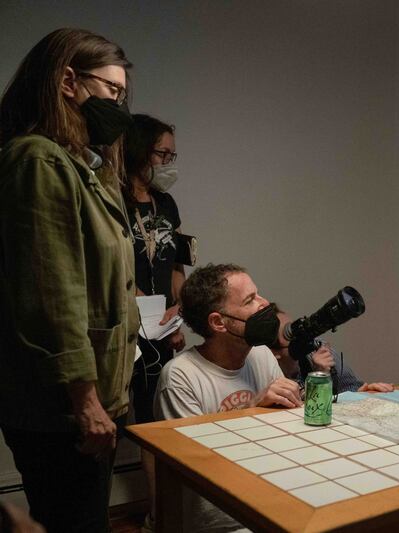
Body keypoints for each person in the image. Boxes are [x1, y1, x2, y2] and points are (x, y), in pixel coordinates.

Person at [0, 28, 138, 533]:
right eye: (111, 90)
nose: (118, 106)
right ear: (67, 82)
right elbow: (52, 296)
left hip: (91, 398)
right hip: (65, 410)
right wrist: (86, 402)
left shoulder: (79, 166)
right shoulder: (38, 159)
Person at [154, 263, 301, 533]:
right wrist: (253, 407)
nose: (264, 303)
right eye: (250, 300)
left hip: (266, 506)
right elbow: (198, 462)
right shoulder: (180, 377)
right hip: (219, 522)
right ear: (218, 322)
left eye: (258, 294)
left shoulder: (261, 354)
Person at [123, 114, 187, 529]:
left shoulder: (166, 203)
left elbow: (177, 264)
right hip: (122, 330)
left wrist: (178, 314)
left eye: (171, 155)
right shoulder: (110, 197)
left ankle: (161, 515)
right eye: (162, 153)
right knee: (127, 423)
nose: (167, 163)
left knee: (160, 425)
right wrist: (135, 301)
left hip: (162, 330)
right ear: (139, 150)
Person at [271, 306, 394, 393]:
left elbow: (351, 388)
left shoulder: (316, 349)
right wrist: (319, 376)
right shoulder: (266, 377)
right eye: (289, 334)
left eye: (293, 326)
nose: (299, 335)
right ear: (272, 353)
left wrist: (365, 391)